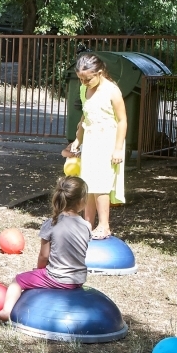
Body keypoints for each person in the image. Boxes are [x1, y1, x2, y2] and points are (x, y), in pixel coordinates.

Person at [0, 176, 91, 321]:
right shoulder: (86, 226)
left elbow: (44, 256)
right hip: (78, 280)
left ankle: (6, 311)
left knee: (17, 281)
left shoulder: (52, 223)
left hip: (57, 278)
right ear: (82, 201)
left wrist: (39, 270)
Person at [67, 53, 127, 239]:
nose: (84, 83)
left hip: (108, 141)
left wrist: (117, 148)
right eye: (80, 79)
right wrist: (78, 140)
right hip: (91, 140)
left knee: (101, 184)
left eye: (87, 79)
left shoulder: (112, 90)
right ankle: (87, 223)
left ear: (100, 73)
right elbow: (85, 116)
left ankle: (104, 226)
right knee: (88, 183)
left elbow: (123, 120)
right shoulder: (84, 90)